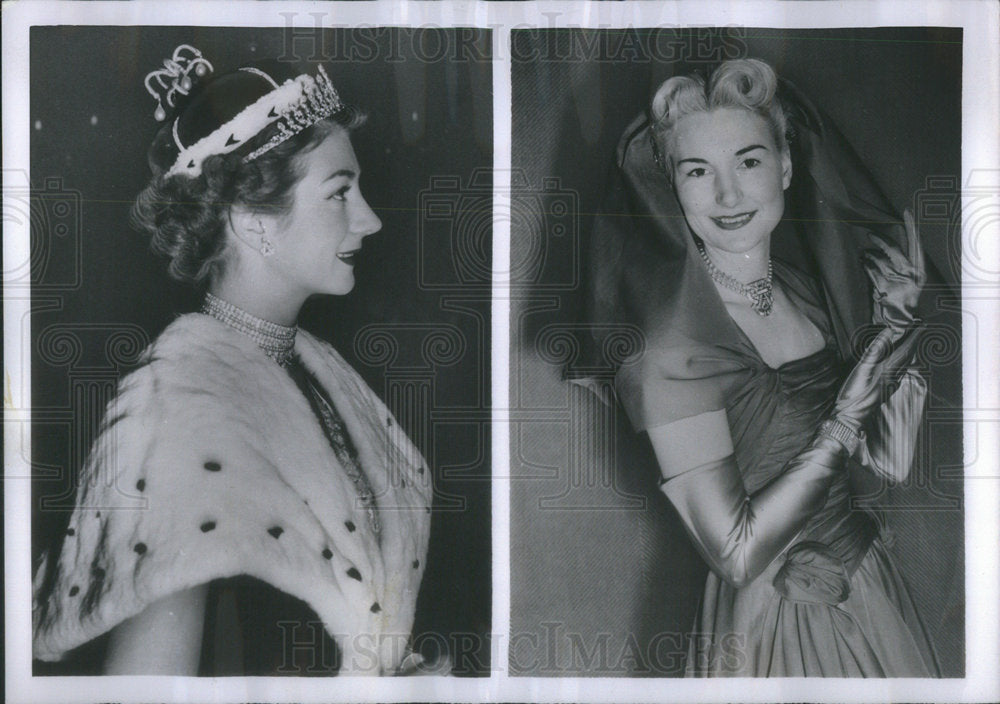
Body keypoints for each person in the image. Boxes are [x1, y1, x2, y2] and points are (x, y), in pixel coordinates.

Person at [31, 45, 432, 676]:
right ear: (252, 221)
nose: (370, 220)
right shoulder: (175, 412)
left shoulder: (323, 375)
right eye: (340, 193)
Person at [588, 58, 939, 676]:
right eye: (697, 171)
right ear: (671, 187)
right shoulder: (668, 347)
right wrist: (850, 409)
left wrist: (897, 332)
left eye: (748, 161)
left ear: (785, 165)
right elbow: (738, 555)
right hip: (769, 622)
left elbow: (890, 465)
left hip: (871, 587)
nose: (727, 195)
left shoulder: (807, 292)